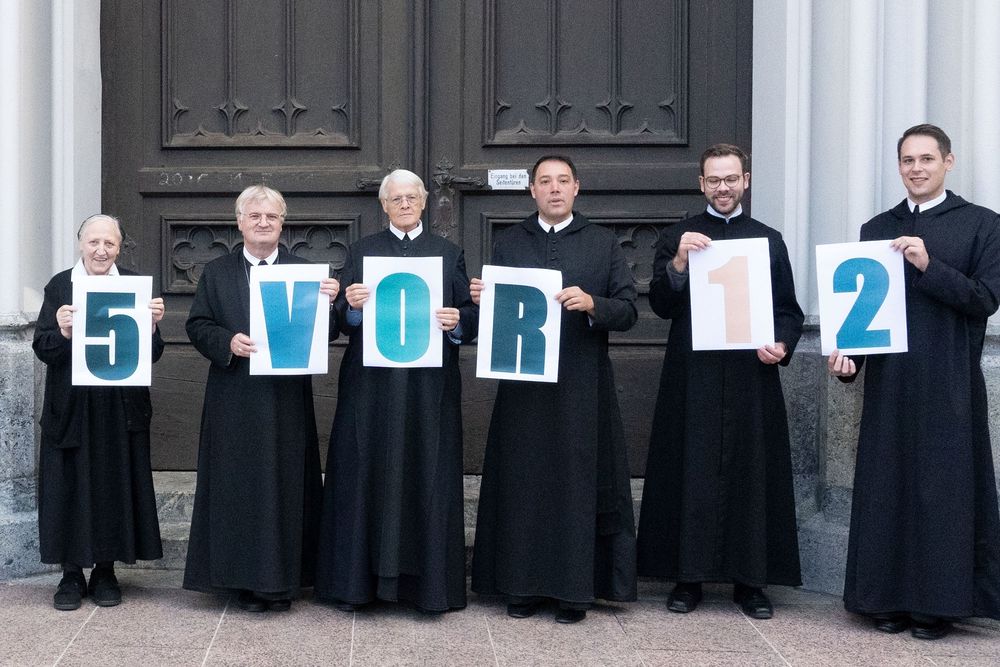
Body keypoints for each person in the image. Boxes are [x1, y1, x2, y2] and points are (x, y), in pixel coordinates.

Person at [829, 124, 1000, 639]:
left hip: (949, 382)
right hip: (891, 385)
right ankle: (885, 600)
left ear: (948, 162)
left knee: (943, 495)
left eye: (927, 158)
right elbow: (863, 312)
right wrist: (850, 359)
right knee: (887, 490)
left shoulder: (982, 225)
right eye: (908, 160)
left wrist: (929, 266)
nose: (916, 168)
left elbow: (985, 299)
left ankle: (936, 607)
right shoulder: (876, 228)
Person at [636, 143, 804, 619]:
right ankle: (687, 578)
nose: (723, 188)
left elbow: (787, 310)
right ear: (701, 184)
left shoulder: (768, 239)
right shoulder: (678, 237)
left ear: (745, 181)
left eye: (731, 179)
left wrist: (783, 343)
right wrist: (678, 265)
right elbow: (661, 305)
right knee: (690, 469)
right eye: (714, 180)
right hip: (694, 376)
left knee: (752, 472)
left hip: (752, 376)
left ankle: (751, 583)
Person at [470, 155, 638, 624]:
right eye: (545, 181)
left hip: (582, 387)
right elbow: (493, 319)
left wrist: (592, 303)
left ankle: (573, 593)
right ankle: (521, 586)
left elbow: (628, 311)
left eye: (563, 181)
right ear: (532, 191)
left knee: (576, 485)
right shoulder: (509, 242)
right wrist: (483, 300)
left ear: (577, 188)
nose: (555, 189)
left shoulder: (602, 243)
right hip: (524, 389)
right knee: (523, 482)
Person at [314, 169, 478, 614]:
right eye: (395, 198)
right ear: (383, 206)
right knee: (363, 475)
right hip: (370, 389)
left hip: (428, 390)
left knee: (427, 475)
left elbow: (470, 316)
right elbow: (338, 321)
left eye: (411, 197)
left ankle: (428, 591)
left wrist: (457, 322)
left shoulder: (448, 253)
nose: (404, 204)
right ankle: (355, 586)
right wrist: (350, 308)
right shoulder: (361, 251)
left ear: (424, 202)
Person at [183, 184, 340, 612]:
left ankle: (282, 584)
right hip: (234, 399)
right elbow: (197, 325)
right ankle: (240, 582)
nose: (263, 223)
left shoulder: (305, 272)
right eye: (255, 216)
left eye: (271, 216)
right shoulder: (217, 272)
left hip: (286, 400)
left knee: (285, 486)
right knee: (237, 488)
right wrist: (227, 342)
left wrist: (330, 305)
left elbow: (328, 333)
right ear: (240, 222)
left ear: (282, 223)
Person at [33, 214, 165, 610]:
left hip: (118, 408)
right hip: (72, 408)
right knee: (68, 488)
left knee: (113, 486)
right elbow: (43, 348)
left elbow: (153, 354)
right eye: (94, 242)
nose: (101, 250)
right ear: (80, 243)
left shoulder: (133, 285)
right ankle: (71, 574)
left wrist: (152, 328)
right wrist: (62, 332)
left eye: (109, 243)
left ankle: (106, 572)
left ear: (119, 248)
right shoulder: (61, 286)